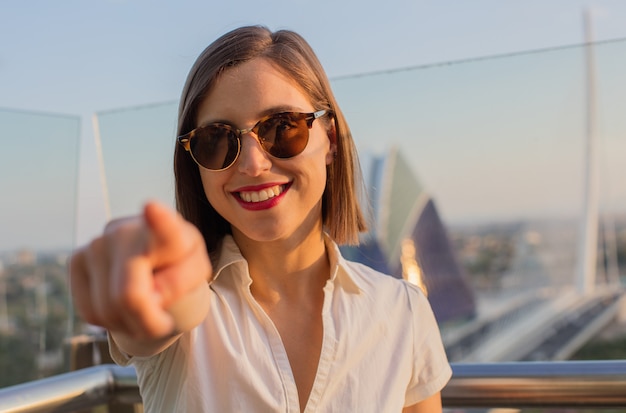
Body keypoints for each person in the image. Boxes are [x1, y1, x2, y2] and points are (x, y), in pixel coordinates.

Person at [70, 25, 452, 412]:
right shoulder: (190, 308)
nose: (253, 164)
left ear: (330, 141)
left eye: (282, 127)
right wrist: (141, 281)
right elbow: (163, 316)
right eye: (217, 140)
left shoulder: (402, 311)